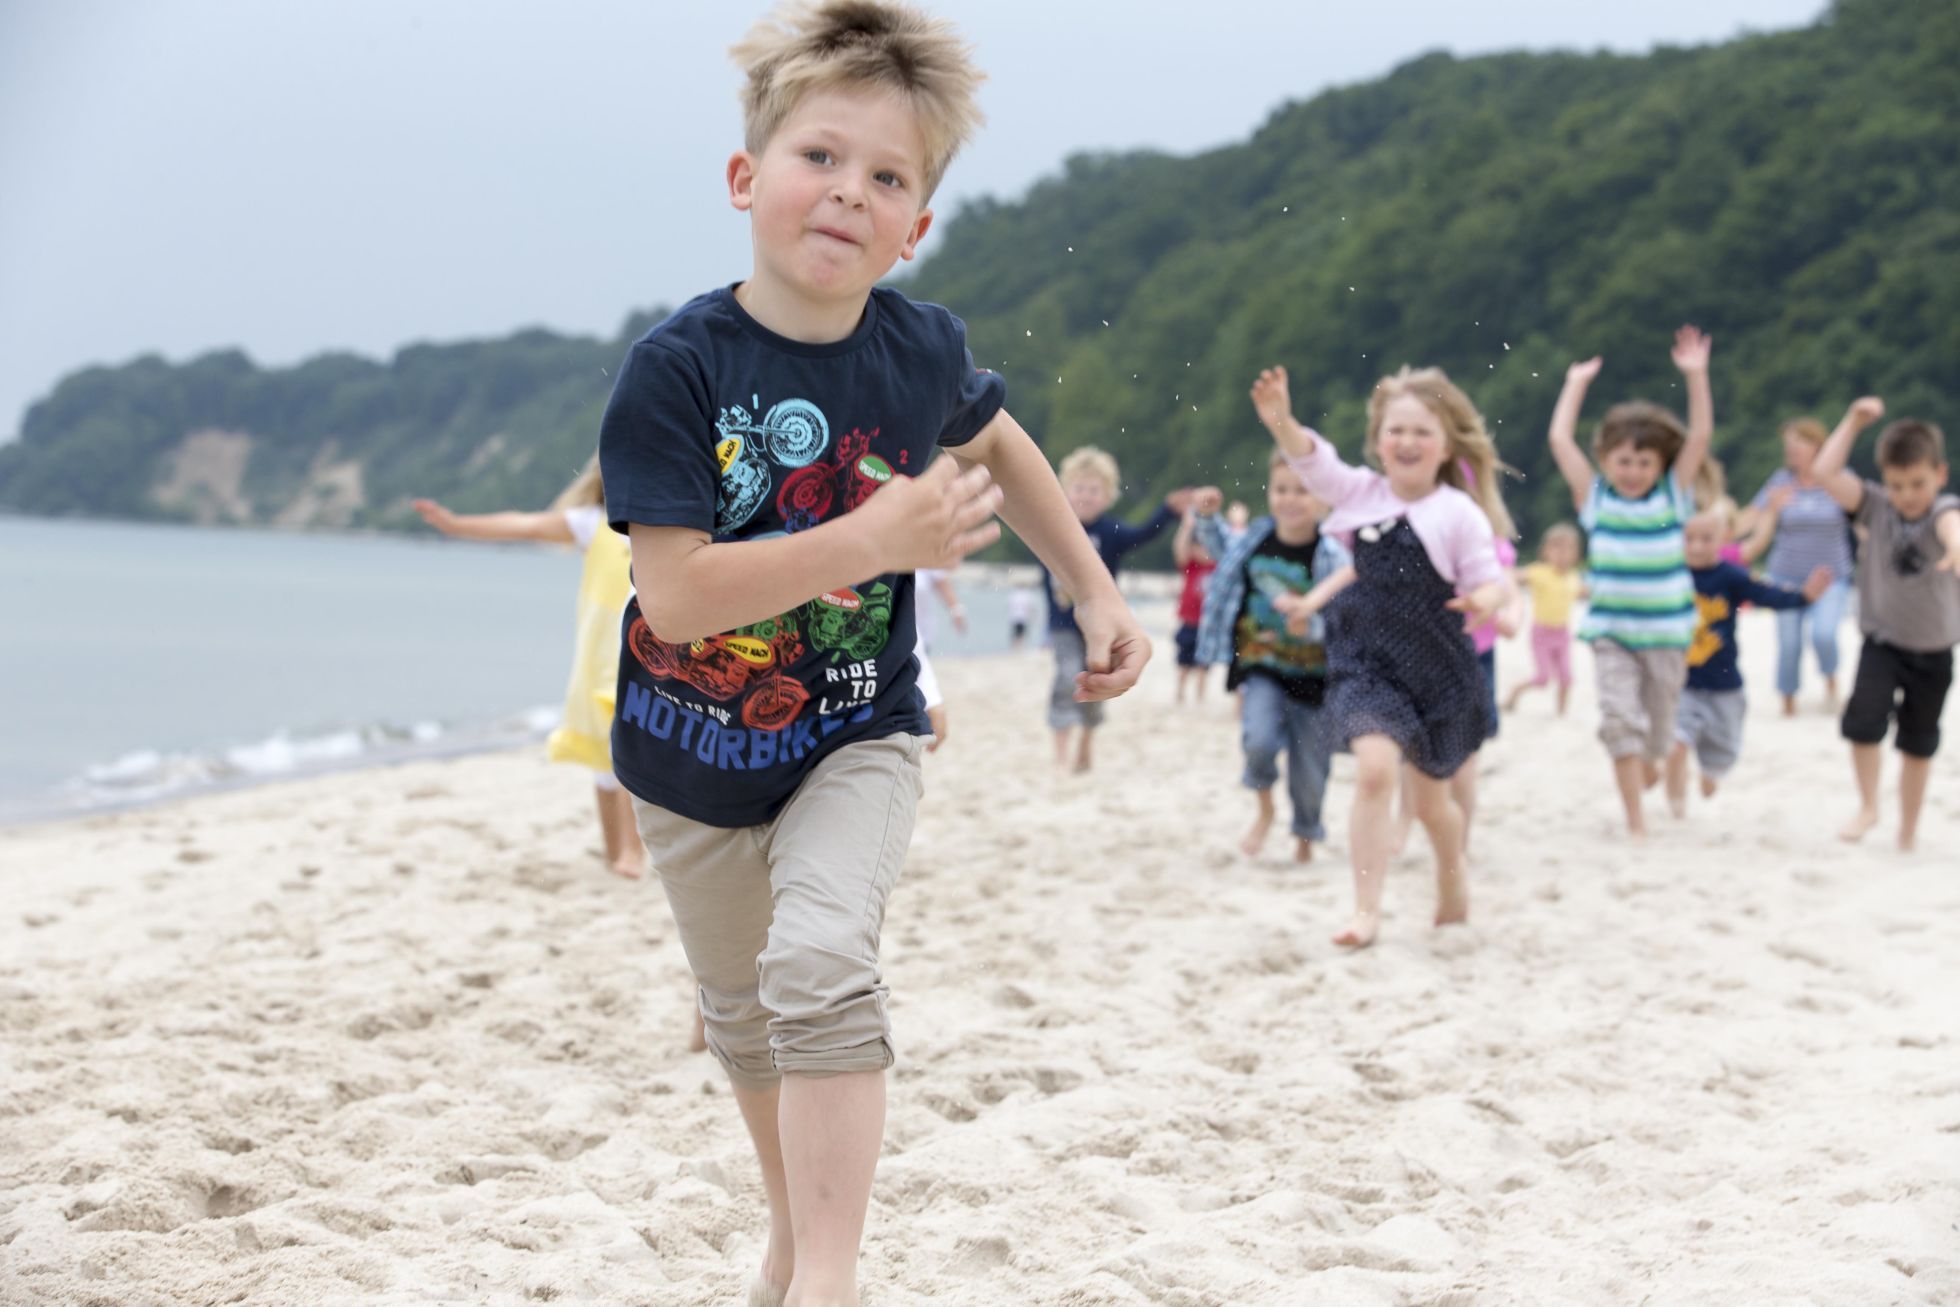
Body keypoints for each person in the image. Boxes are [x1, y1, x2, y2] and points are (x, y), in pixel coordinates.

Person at [596, 8, 1153, 1304]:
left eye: (889, 177)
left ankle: (829, 1278)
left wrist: (1089, 585)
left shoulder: (919, 348)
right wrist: (870, 535)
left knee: (819, 964)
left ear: (918, 225)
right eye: (821, 157)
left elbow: (1002, 440)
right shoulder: (674, 371)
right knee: (742, 1012)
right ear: (748, 178)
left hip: (857, 728)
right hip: (683, 758)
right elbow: (674, 597)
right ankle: (795, 1231)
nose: (850, 191)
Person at [1251, 363, 1512, 949]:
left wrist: (1484, 600)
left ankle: (1453, 877)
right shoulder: (1361, 494)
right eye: (1396, 430)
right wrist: (1282, 421)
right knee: (1373, 771)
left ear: (1446, 445)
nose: (1408, 442)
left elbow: (1490, 580)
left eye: (1423, 431)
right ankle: (1366, 910)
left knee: (1431, 806)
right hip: (1366, 663)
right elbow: (1315, 461)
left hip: (1439, 668)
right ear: (1378, 440)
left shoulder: (1458, 512)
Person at [411, 459, 645, 882]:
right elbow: (524, 525)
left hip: (643, 661)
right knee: (603, 764)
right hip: (599, 663)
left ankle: (631, 851)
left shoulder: (663, 527)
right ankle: (618, 854)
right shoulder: (593, 525)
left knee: (625, 756)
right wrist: (456, 524)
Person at [1547, 327, 1715, 837]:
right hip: (1613, 633)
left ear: (1661, 463)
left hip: (1667, 637)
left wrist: (1696, 375)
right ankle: (1636, 823)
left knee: (1657, 738)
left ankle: (1653, 765)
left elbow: (1701, 436)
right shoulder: (1596, 499)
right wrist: (1575, 385)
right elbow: (1559, 439)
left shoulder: (1671, 497)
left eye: (1645, 462)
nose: (1634, 470)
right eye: (1623, 461)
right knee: (1621, 723)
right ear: (1605, 461)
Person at [1806, 398, 1960, 850]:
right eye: (1897, 485)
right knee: (1863, 722)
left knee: (1918, 742)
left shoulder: (1943, 511)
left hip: (1934, 650)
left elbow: (1954, 526)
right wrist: (1852, 422)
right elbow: (1825, 473)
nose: (1907, 494)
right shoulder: (1875, 507)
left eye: (1917, 483)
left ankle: (1908, 829)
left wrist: (1955, 548)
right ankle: (1868, 804)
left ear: (1940, 474)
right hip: (1883, 642)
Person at [1192, 456, 1351, 861]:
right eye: (1282, 489)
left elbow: (1343, 618)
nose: (1290, 499)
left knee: (1311, 769)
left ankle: (1304, 836)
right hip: (1260, 664)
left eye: (1302, 491)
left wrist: (1311, 626)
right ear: (1270, 493)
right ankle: (1265, 811)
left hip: (1316, 674)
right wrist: (1205, 516)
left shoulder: (1331, 555)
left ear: (1324, 502)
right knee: (1258, 741)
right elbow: (1219, 549)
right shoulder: (1255, 538)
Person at [1041, 445, 1206, 771]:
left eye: (1094, 490)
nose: (1085, 496)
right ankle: (1060, 754)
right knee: (1065, 677)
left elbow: (1144, 533)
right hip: (1061, 622)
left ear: (1107, 496)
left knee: (1094, 680)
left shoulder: (1110, 532)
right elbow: (1023, 514)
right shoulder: (1050, 527)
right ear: (1064, 490)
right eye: (1079, 488)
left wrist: (1168, 511)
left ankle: (1086, 741)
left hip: (1099, 626)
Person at [1666, 510, 1830, 814]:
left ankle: (1710, 772)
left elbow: (1765, 594)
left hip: (1724, 684)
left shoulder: (1730, 576)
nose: (1697, 546)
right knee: (1675, 743)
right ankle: (1676, 806)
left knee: (1723, 749)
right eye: (1689, 539)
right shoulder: (1671, 575)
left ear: (1723, 540)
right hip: (1682, 682)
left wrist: (1804, 597)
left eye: (1706, 539)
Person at [1744, 417, 1859, 715]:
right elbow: (1750, 522)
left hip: (1832, 576)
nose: (1791, 449)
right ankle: (1788, 703)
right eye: (1788, 444)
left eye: (1799, 442)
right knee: (1789, 643)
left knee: (1823, 634)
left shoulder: (1838, 479)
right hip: (1785, 575)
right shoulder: (1780, 483)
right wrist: (1769, 511)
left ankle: (1831, 680)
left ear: (1817, 445)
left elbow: (1864, 520)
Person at [1504, 523, 1586, 716]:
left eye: (1568, 548)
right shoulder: (1539, 572)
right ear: (1545, 551)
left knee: (1567, 678)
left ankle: (1561, 713)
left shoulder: (1575, 578)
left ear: (1576, 554)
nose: (1562, 553)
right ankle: (1515, 693)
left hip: (1563, 634)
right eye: (1556, 547)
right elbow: (1513, 576)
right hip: (1541, 633)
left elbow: (1588, 593)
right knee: (1542, 678)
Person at [1171, 503, 1218, 703]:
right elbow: (1179, 549)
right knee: (1184, 662)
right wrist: (1187, 526)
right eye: (1198, 545)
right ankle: (1180, 692)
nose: (1203, 550)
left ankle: (1201, 697)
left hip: (1208, 623)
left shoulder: (1218, 566)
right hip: (1189, 621)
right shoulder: (1191, 565)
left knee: (1203, 665)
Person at [1005, 584, 1036, 650]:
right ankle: (1020, 648)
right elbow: (1030, 607)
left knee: (1017, 634)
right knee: (1021, 634)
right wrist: (1032, 616)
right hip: (1022, 617)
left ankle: (1016, 648)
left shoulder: (1013, 594)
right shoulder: (1027, 594)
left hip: (1016, 617)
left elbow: (1009, 607)